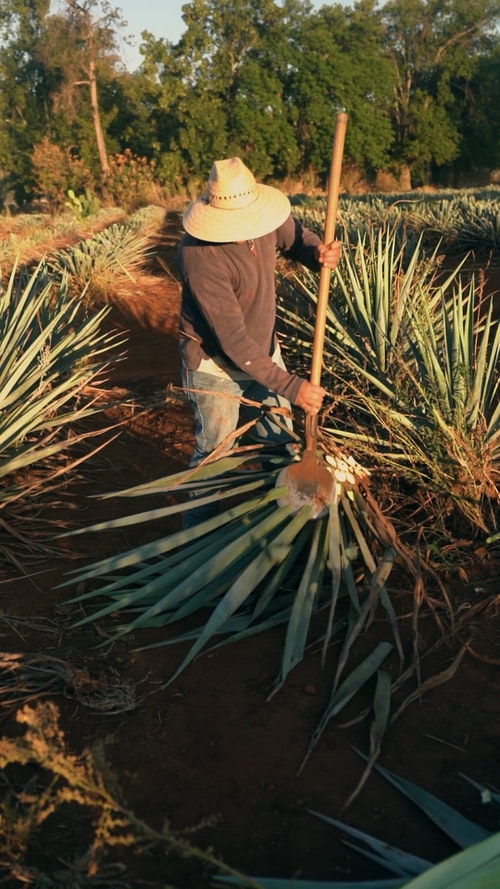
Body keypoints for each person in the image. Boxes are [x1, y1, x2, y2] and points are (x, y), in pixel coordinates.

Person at [177, 156, 342, 528]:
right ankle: (196, 540)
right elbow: (233, 340)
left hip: (264, 352)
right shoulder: (198, 255)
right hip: (214, 365)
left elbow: (294, 236)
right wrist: (292, 386)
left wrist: (316, 252)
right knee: (214, 457)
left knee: (280, 444)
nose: (244, 229)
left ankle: (281, 523)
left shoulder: (262, 219)